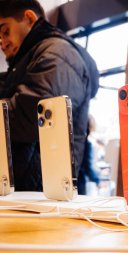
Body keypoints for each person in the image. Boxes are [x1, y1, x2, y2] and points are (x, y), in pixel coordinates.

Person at [0, 0, 99, 191]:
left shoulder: (58, 54)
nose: (3, 42)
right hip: (32, 191)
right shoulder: (33, 59)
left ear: (29, 18)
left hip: (41, 193)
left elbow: (30, 117)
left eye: (5, 31)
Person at [77, 115, 100, 195]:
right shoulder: (86, 144)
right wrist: (98, 181)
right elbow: (88, 167)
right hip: (79, 182)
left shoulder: (73, 142)